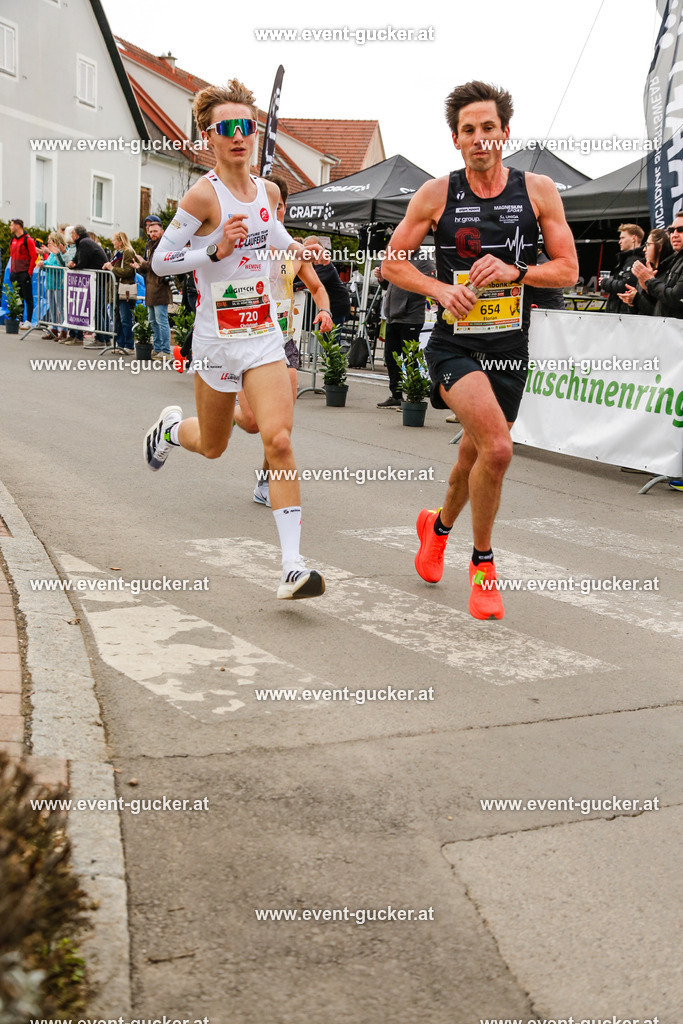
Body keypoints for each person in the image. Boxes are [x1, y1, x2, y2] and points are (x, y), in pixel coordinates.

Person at [381, 80, 578, 620]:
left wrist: (519, 271)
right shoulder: (436, 194)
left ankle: (436, 527)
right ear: (456, 140)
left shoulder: (537, 191)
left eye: (488, 128)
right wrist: (440, 288)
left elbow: (569, 268)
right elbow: (392, 262)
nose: (480, 139)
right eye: (468, 130)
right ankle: (483, 563)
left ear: (505, 133)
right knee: (496, 448)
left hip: (510, 347)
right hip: (454, 346)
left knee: (474, 451)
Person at [144, 78, 325, 600]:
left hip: (263, 334)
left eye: (247, 126)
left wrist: (302, 248)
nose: (240, 136)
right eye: (228, 128)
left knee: (280, 439)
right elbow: (162, 259)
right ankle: (172, 428)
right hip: (217, 340)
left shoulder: (268, 191)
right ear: (209, 137)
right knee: (215, 445)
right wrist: (215, 251)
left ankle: (292, 565)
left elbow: (277, 237)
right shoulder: (202, 196)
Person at [234, 173, 333, 507]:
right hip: (247, 340)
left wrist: (325, 312)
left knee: (281, 424)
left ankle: (265, 481)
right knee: (250, 422)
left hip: (283, 343)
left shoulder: (295, 252)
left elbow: (319, 289)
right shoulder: (246, 242)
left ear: (283, 209)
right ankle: (229, 410)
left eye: (275, 206)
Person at [374, 247, 436, 408]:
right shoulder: (398, 258)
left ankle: (414, 396)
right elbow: (389, 286)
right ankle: (396, 394)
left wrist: (405, 276)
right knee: (391, 357)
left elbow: (430, 284)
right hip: (393, 316)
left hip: (411, 317)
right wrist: (382, 278)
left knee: (410, 358)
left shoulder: (423, 259)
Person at [622, 220, 683, 318]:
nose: (644, 249)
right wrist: (632, 302)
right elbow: (656, 309)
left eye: (648, 245)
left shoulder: (664, 271)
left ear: (659, 247)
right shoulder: (647, 271)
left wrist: (638, 297)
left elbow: (667, 305)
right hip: (649, 328)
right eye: (671, 230)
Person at [133, 220, 172, 359]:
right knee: (152, 321)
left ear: (162, 232)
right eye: (150, 232)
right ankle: (157, 348)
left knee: (161, 321)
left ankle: (166, 350)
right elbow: (149, 266)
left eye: (155, 231)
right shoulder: (149, 245)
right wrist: (140, 266)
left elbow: (156, 265)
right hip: (150, 286)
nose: (152, 234)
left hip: (160, 287)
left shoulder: (164, 246)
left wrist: (143, 264)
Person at [69, 225, 109, 346]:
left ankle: (101, 338)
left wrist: (74, 266)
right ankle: (106, 338)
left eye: (72, 234)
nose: (71, 236)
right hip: (99, 278)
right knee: (101, 310)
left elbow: (83, 261)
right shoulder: (85, 241)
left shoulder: (84, 243)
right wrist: (74, 262)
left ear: (76, 234)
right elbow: (79, 257)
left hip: (98, 279)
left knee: (97, 309)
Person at [303, 236, 351, 332]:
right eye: (306, 248)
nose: (309, 251)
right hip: (326, 306)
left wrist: (293, 287)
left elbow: (311, 281)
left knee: (330, 338)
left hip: (336, 306)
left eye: (313, 248)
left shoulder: (325, 264)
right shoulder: (309, 264)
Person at [599, 223, 645, 314]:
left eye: (622, 238)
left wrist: (605, 282)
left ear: (633, 238)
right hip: (619, 312)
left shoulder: (636, 260)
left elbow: (627, 285)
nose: (619, 241)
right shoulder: (627, 259)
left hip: (625, 314)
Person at [103, 231, 137, 352]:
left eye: (114, 240)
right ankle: (119, 344)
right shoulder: (116, 253)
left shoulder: (128, 252)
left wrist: (112, 268)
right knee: (116, 319)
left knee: (125, 318)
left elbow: (128, 271)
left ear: (120, 241)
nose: (112, 242)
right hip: (115, 290)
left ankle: (128, 344)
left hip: (124, 289)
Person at [36, 232, 67, 338]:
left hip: (58, 284)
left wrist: (45, 264)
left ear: (56, 241)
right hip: (50, 284)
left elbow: (58, 266)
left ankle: (63, 330)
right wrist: (42, 264)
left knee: (60, 308)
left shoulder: (59, 254)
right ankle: (54, 329)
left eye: (51, 240)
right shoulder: (52, 254)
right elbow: (50, 265)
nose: (49, 242)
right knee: (53, 308)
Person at [9, 218, 37, 329]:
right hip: (15, 273)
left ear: (17, 226)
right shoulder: (13, 240)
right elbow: (12, 257)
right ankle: (20, 319)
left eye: (12, 225)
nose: (10, 227)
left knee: (27, 297)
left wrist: (29, 272)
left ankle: (28, 320)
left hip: (24, 273)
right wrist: (11, 271)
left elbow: (33, 256)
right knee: (18, 297)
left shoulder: (28, 240)